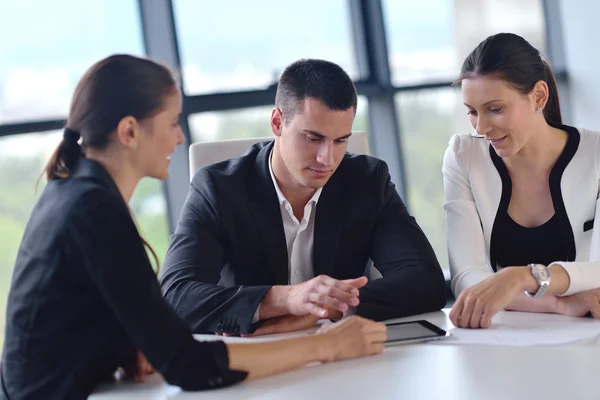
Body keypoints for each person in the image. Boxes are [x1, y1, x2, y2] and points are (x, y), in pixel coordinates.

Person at [0, 54, 387, 399]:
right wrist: (325, 347)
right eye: (171, 122)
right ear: (130, 132)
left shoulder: (77, 191)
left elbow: (84, 313)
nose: (180, 136)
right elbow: (190, 366)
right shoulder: (92, 210)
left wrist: (124, 349)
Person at [159, 58, 446, 337]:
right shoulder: (218, 189)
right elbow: (175, 297)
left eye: (340, 141)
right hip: (260, 361)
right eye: (313, 138)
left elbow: (426, 281)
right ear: (277, 122)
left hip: (345, 357)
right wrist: (287, 299)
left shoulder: (368, 181)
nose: (327, 158)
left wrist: (323, 309)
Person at [444, 32, 600, 329]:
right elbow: (467, 280)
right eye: (472, 112)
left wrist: (520, 277)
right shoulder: (463, 156)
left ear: (539, 96)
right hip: (510, 335)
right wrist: (556, 303)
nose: (481, 127)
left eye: (495, 109)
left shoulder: (596, 155)